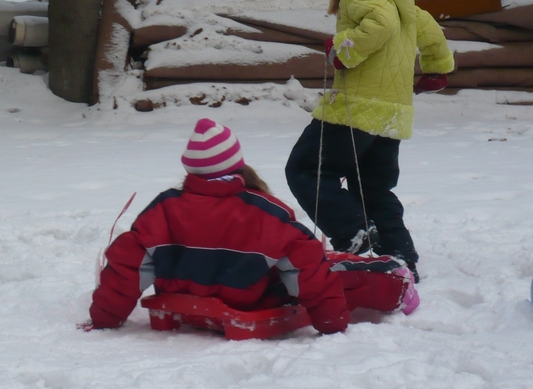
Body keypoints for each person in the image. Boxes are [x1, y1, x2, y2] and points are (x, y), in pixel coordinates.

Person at [86, 118, 418, 335]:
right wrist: (331, 323)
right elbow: (309, 273)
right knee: (331, 268)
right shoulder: (265, 214)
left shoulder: (162, 207)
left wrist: (105, 317)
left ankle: (390, 274)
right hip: (252, 305)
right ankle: (395, 282)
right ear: (237, 166)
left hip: (181, 302)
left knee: (308, 263)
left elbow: (126, 266)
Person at [284, 0, 455, 283]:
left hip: (357, 108)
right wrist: (437, 68)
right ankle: (399, 255)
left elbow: (381, 26)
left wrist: (343, 49)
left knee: (305, 170)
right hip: (392, 113)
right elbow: (429, 30)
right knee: (373, 185)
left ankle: (354, 235)